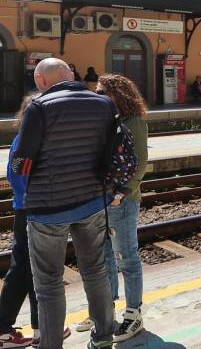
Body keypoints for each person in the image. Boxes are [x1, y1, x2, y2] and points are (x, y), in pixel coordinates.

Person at [10, 58, 116, 349]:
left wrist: (21, 166)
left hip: (48, 209)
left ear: (41, 81)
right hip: (93, 201)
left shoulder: (39, 107)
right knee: (95, 271)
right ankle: (104, 335)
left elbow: (22, 161)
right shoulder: (103, 103)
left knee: (49, 283)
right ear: (70, 75)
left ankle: (52, 344)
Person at [73, 75, 147, 342]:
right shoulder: (105, 120)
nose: (99, 94)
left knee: (126, 258)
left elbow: (139, 164)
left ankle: (133, 313)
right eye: (97, 90)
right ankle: (104, 311)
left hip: (121, 201)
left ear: (120, 95)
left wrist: (121, 193)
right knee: (104, 259)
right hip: (100, 200)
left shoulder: (133, 122)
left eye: (104, 91)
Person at [0, 95, 47, 349]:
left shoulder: (21, 139)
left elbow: (13, 175)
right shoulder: (27, 142)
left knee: (25, 267)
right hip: (32, 210)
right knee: (32, 268)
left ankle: (7, 329)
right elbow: (20, 175)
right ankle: (36, 329)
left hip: (25, 208)